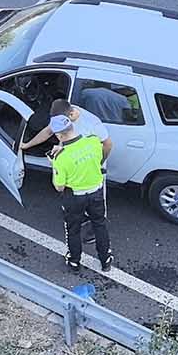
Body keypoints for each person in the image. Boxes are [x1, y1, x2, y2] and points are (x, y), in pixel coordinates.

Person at [50, 114, 112, 273]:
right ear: (72, 127)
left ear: (59, 135)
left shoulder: (61, 158)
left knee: (73, 228)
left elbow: (59, 186)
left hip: (75, 196)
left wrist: (54, 163)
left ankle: (74, 261)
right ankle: (105, 260)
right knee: (99, 224)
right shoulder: (93, 141)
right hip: (97, 191)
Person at [19, 95, 114, 164]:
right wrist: (27, 145)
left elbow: (108, 144)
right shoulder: (63, 114)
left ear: (71, 114)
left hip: (87, 162)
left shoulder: (93, 124)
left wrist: (100, 162)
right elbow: (48, 131)